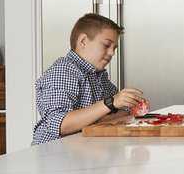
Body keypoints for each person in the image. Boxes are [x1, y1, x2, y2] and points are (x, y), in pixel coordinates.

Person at [32, 13, 146, 145]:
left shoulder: (99, 76)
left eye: (114, 48)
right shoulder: (64, 70)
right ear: (83, 41)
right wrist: (110, 103)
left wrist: (130, 105)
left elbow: (118, 113)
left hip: (83, 151)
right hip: (53, 153)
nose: (112, 53)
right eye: (106, 45)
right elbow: (60, 124)